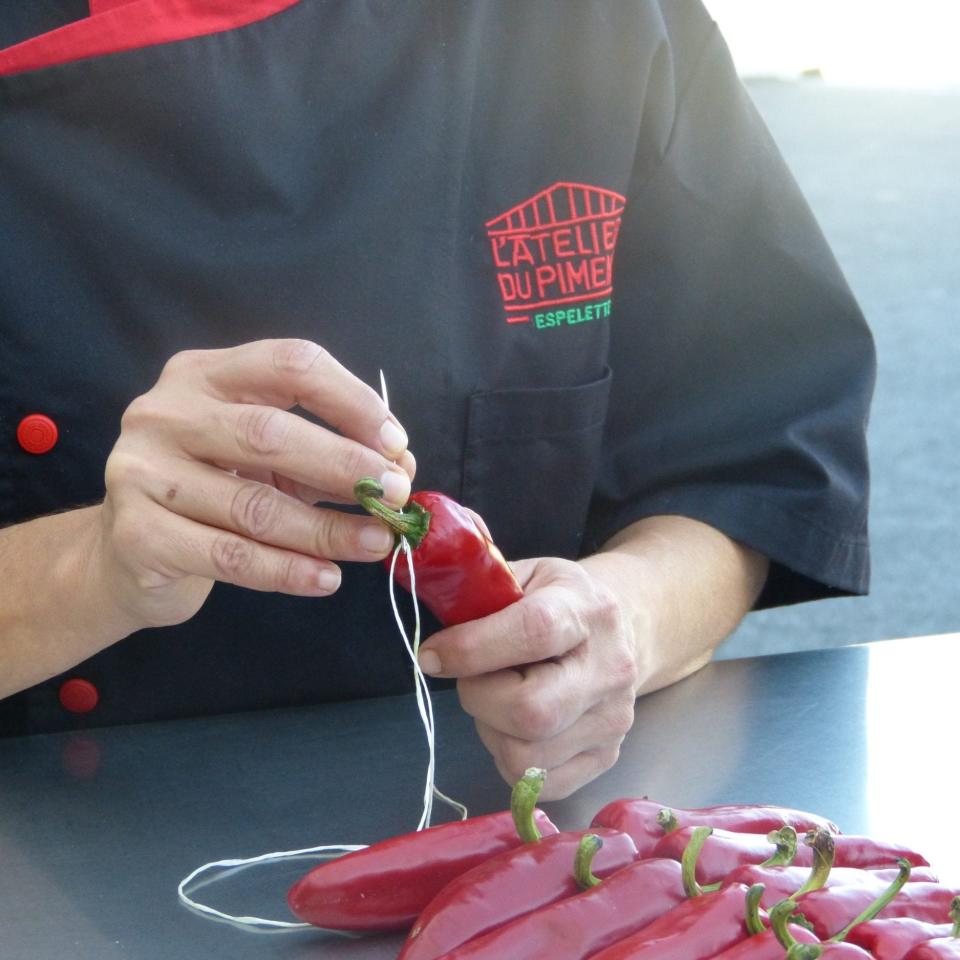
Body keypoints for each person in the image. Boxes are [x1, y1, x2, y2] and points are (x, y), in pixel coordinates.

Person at [0, 0, 874, 799]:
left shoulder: (594, 28)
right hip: (61, 836)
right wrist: (95, 570)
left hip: (519, 825)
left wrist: (624, 616)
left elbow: (747, 460)